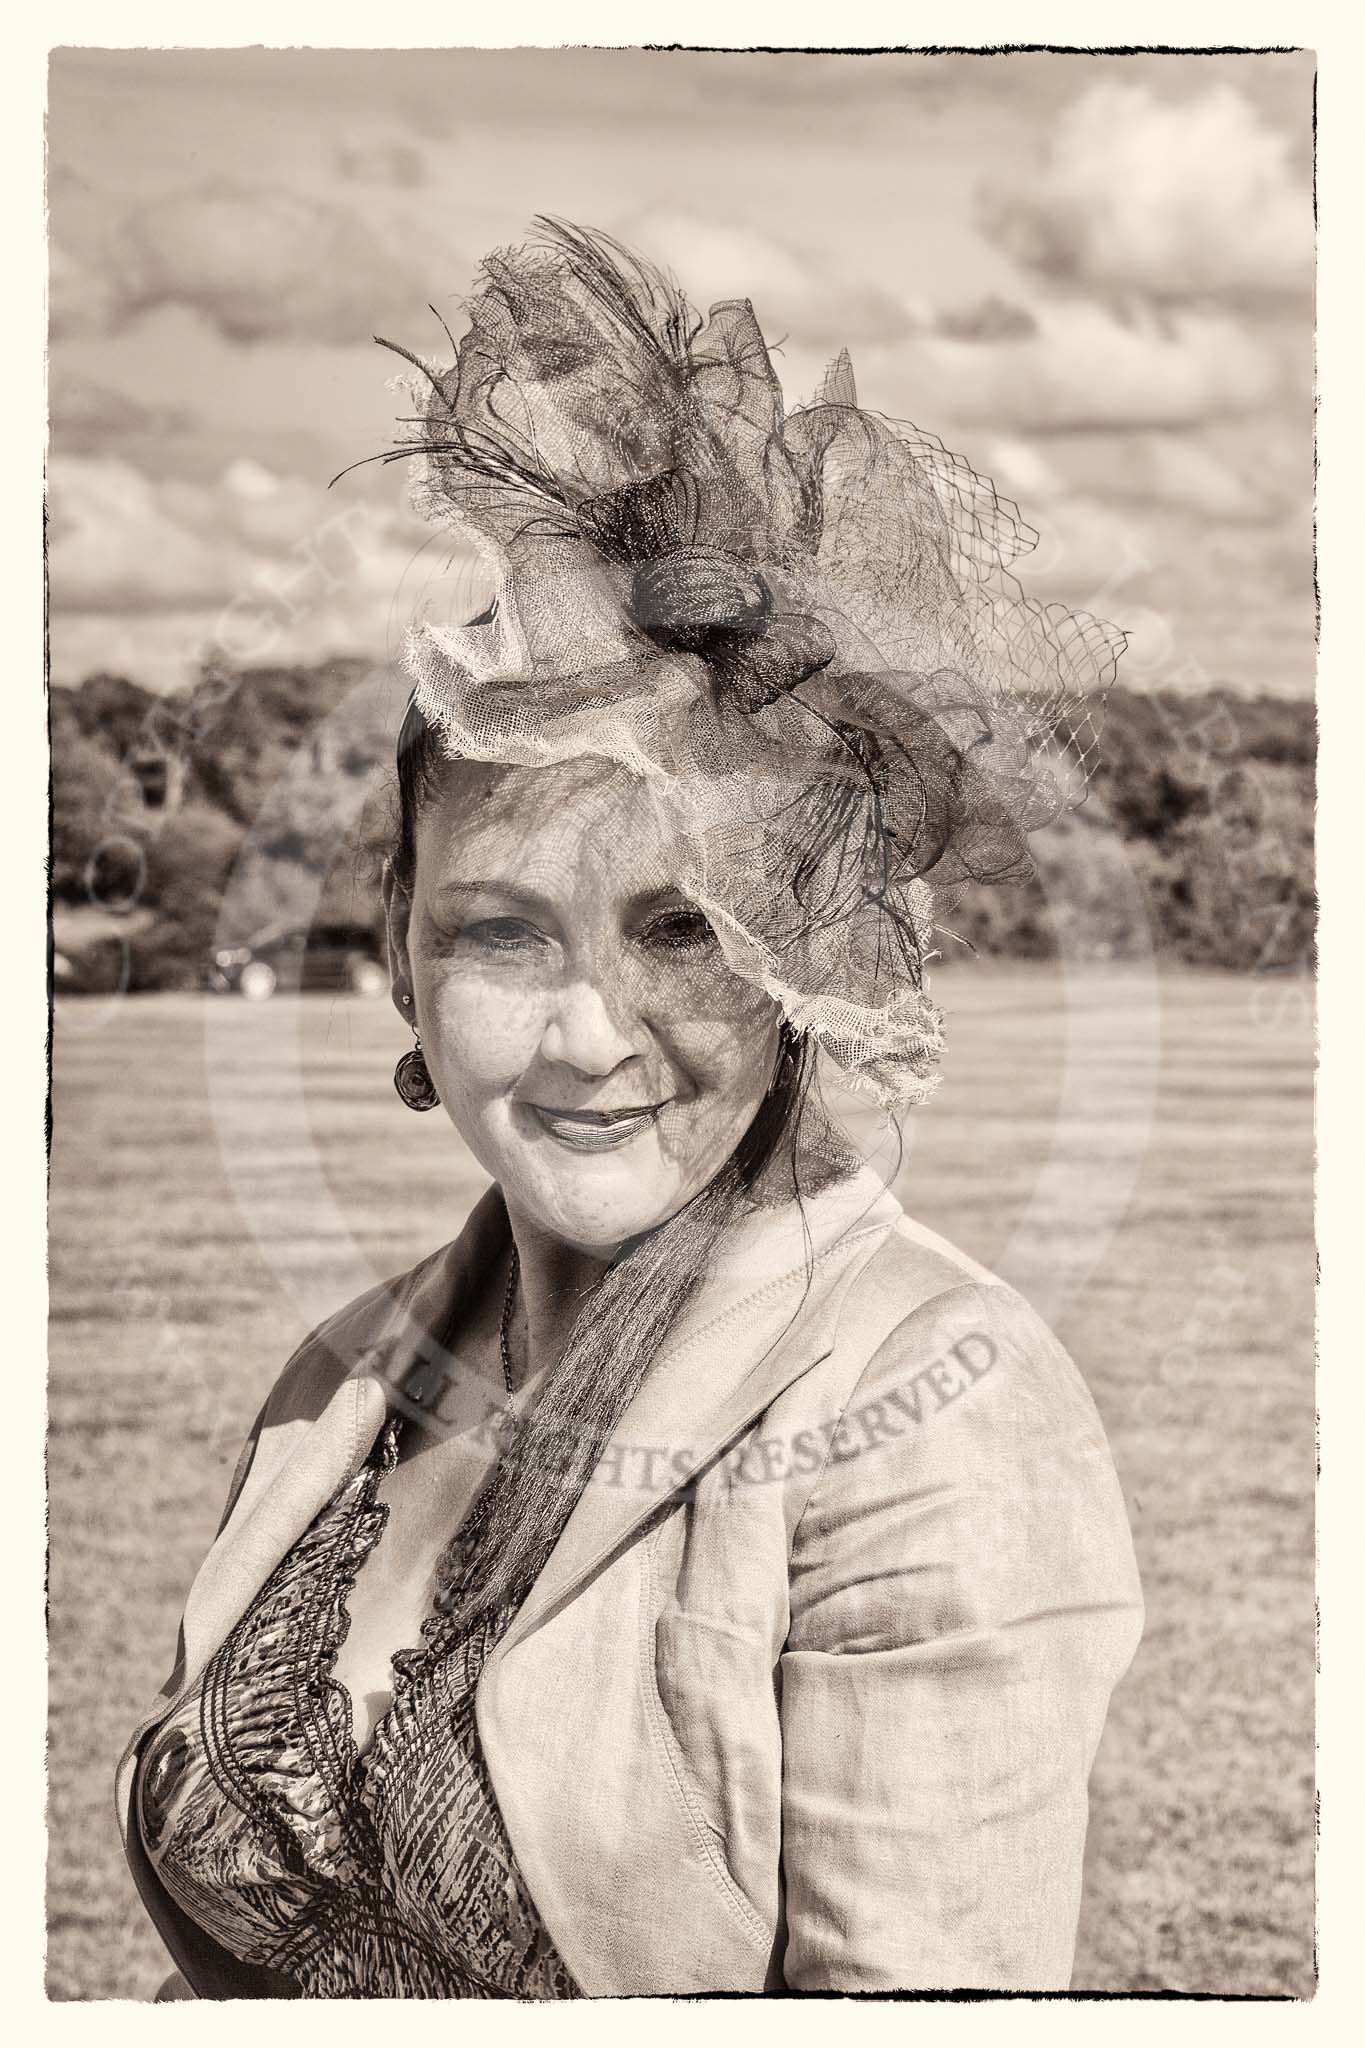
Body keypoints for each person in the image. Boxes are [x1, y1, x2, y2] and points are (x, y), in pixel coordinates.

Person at [116, 219, 1144, 1998]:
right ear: (402, 967)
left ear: (804, 963)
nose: (590, 1035)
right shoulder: (342, 1379)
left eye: (687, 931)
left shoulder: (925, 1415)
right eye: (501, 935)